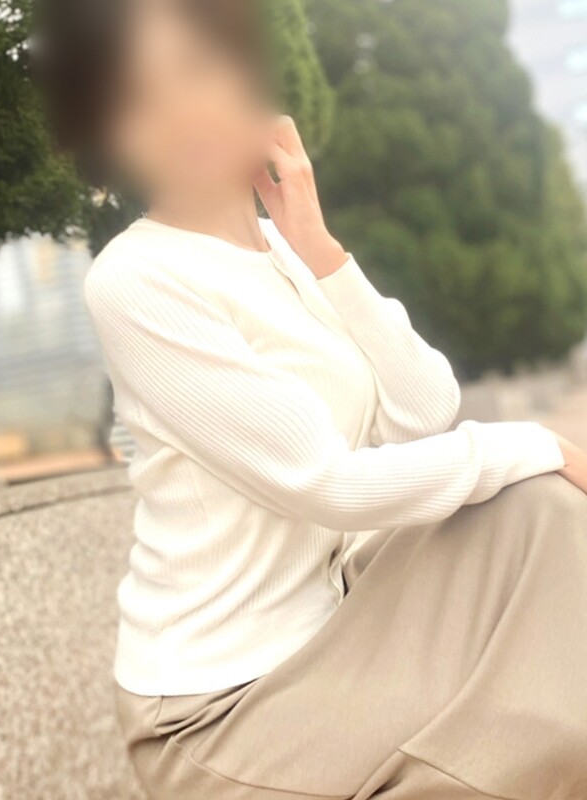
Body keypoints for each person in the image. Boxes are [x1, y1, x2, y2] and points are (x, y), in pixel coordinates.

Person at [33, 1, 587, 797]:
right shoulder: (135, 279)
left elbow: (424, 411)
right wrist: (538, 442)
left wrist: (322, 250)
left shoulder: (284, 255)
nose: (179, 113)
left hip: (329, 634)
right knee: (540, 709)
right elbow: (324, 482)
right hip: (220, 706)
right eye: (134, 99)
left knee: (539, 513)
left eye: (195, 70)